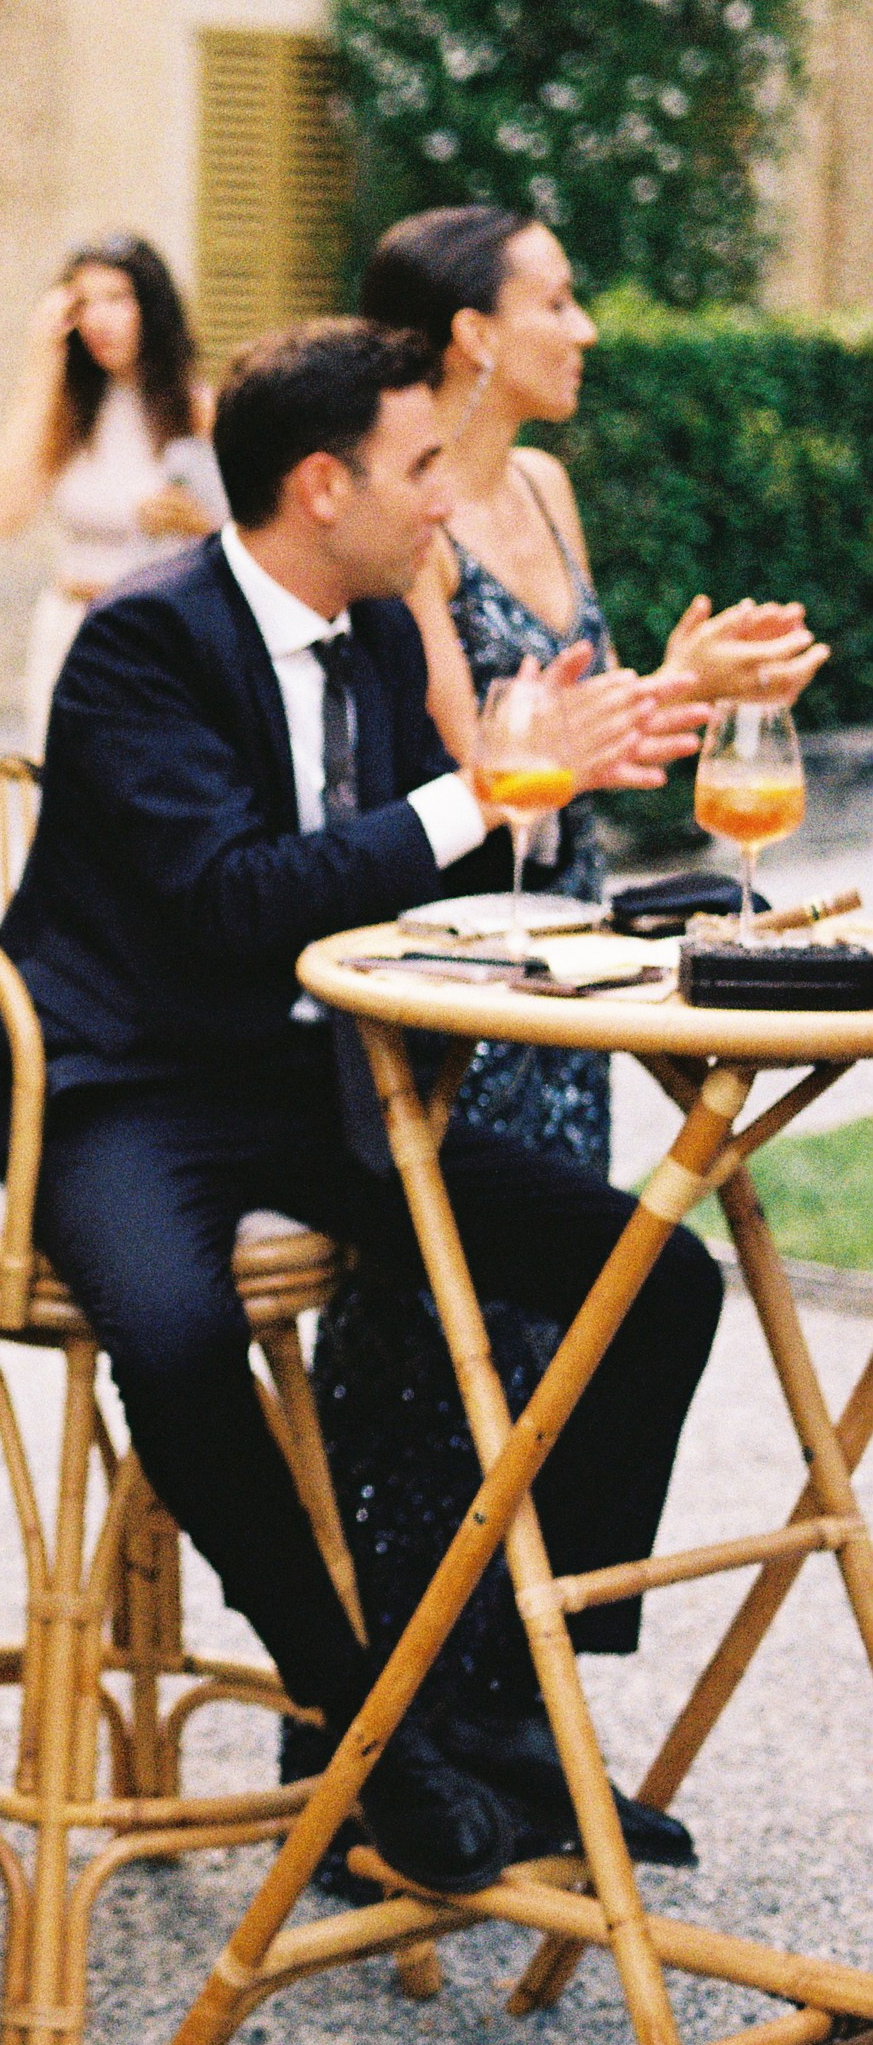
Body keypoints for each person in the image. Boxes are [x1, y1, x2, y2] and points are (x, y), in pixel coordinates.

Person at [0, 316, 724, 1897]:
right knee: (173, 1336)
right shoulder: (142, 643)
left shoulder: (361, 634)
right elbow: (231, 903)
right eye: (418, 466)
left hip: (308, 1083)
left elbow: (405, 869)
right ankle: (370, 1732)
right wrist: (481, 789)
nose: (443, 500)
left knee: (656, 1277)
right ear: (318, 482)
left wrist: (541, 786)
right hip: (119, 1087)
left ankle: (495, 1701)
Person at [307, 204, 825, 1721]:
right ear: (474, 330)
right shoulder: (413, 526)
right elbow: (480, 771)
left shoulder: (537, 480)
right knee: (451, 1331)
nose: (584, 325)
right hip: (458, 970)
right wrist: (657, 693)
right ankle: (400, 1716)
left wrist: (689, 693)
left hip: (572, 960)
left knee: (563, 1331)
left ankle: (520, 1704)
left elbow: (592, 749)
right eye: (558, 295)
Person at [0, 232, 225, 748]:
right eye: (83, 303)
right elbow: (0, 516)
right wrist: (41, 362)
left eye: (117, 299)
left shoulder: (197, 409)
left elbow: (252, 532)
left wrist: (195, 523)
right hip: (72, 624)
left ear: (151, 308)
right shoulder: (67, 412)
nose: (99, 319)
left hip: (162, 634)